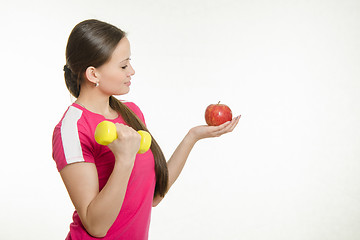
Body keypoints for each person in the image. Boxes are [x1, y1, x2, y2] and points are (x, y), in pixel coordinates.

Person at [52, 19, 240, 240]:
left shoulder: (131, 113)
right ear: (93, 74)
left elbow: (153, 196)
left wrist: (193, 137)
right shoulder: (72, 129)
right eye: (123, 66)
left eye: (129, 62)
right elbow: (96, 226)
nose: (132, 71)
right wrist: (124, 160)